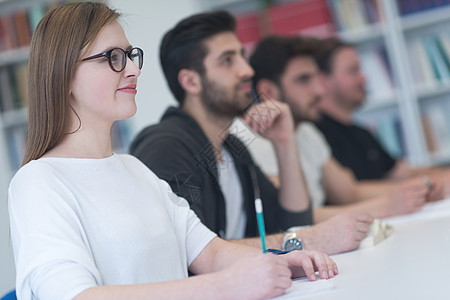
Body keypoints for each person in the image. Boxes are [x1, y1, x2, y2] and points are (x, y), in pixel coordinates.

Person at [7, 3, 338, 300]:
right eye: (113, 58)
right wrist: (224, 286)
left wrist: (284, 260)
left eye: (130, 55)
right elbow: (75, 296)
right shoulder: (38, 182)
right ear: (63, 75)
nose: (134, 70)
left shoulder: (135, 169)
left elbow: (210, 253)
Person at [130, 10, 373, 255]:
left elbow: (292, 222)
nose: (247, 70)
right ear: (191, 82)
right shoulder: (167, 146)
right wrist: (305, 240)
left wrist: (284, 142)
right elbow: (188, 252)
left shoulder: (232, 149)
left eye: (242, 56)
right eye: (227, 60)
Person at [248, 35, 431, 222]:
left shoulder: (306, 131)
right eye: (303, 80)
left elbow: (348, 192)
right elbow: (290, 218)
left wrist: (418, 189)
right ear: (268, 91)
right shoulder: (249, 141)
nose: (319, 90)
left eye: (315, 78)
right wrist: (386, 206)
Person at [314, 37, 450, 194]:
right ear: (323, 80)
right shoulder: (317, 135)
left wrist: (443, 177)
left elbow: (400, 172)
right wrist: (423, 186)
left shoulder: (361, 132)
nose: (364, 78)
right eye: (353, 71)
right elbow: (349, 192)